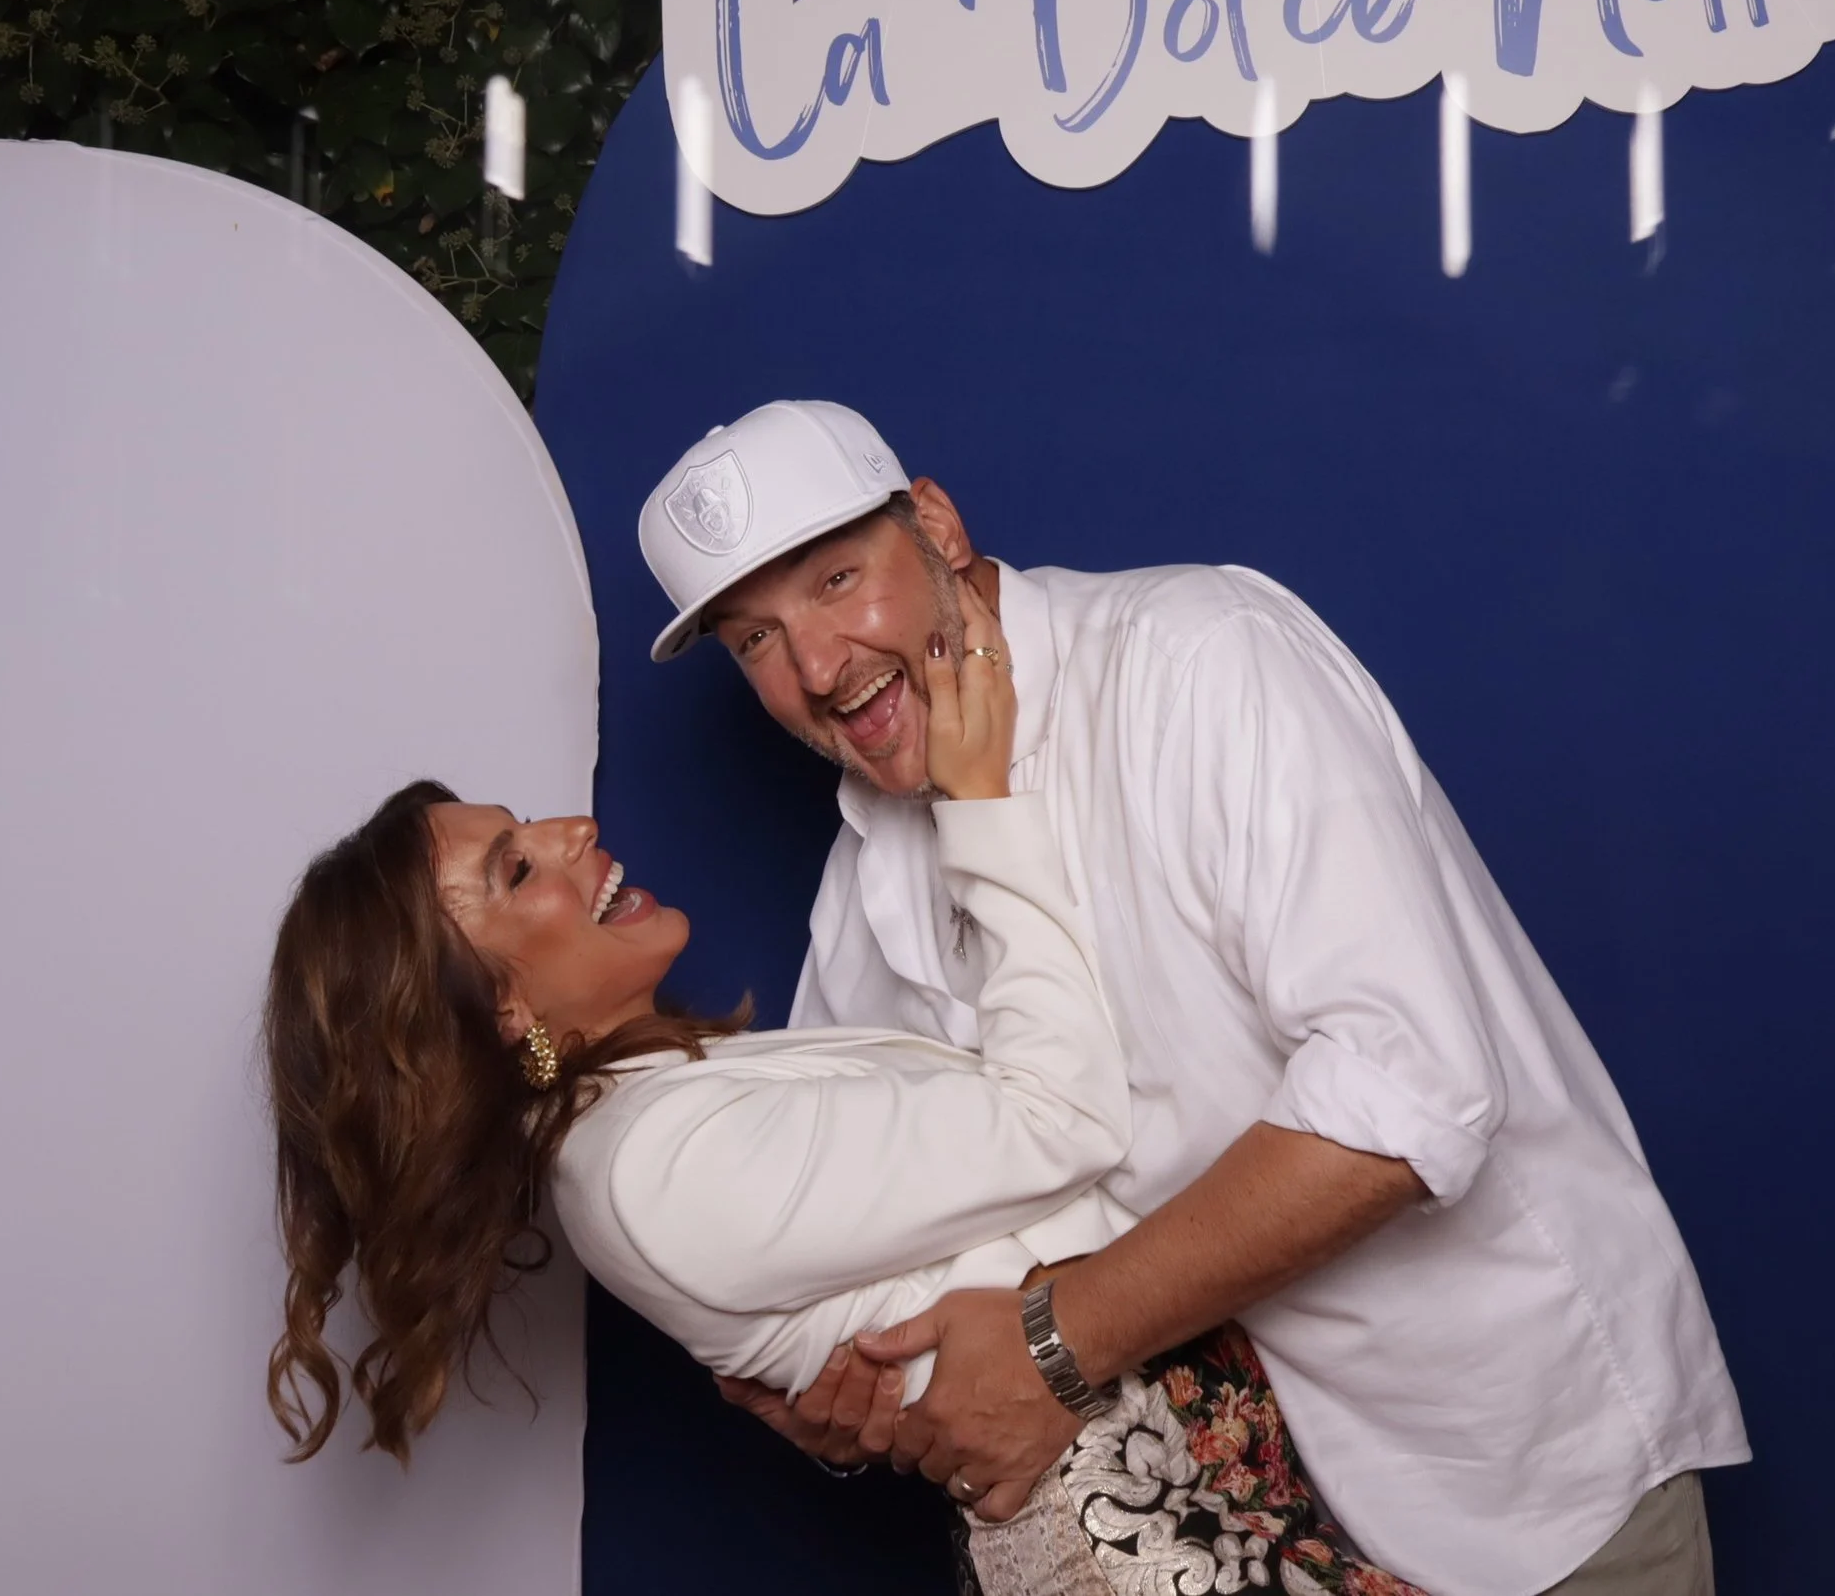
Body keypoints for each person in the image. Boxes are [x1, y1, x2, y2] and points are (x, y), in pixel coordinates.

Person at [637, 399, 1750, 1596]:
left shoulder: (1201, 657)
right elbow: (865, 1224)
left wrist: (1052, 1347)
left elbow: (1405, 1096)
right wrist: (834, 1378)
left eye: (837, 580)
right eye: (755, 640)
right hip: (1224, 1527)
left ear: (938, 527)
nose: (816, 668)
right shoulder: (866, 869)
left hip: (1508, 1464)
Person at [262, 588, 1431, 1595]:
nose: (575, 828)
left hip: (1205, 1470)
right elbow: (1062, 1119)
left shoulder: (668, 1102)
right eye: (518, 867)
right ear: (501, 1015)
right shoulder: (648, 1166)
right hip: (1139, 1536)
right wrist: (983, 809)